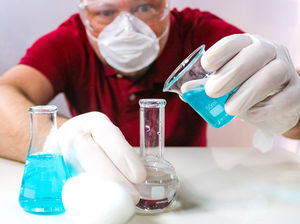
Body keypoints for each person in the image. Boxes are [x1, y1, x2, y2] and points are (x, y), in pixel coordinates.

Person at [0, 0, 300, 200]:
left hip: (192, 195)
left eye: (145, 7)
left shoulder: (197, 32)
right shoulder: (70, 41)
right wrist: (61, 139)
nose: (127, 27)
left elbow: (270, 81)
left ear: (166, 6)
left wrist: (292, 108)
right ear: (85, 14)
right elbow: (5, 95)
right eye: (105, 12)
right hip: (100, 193)